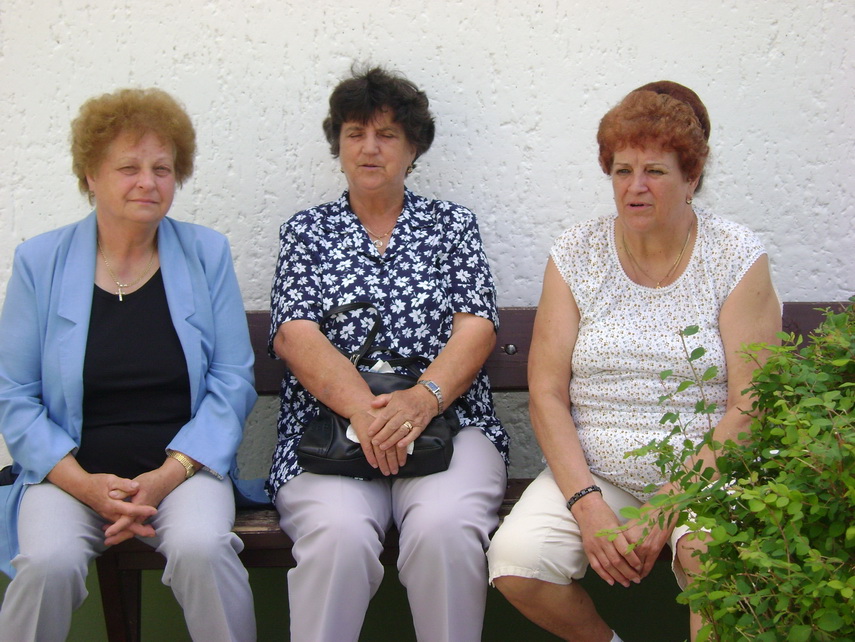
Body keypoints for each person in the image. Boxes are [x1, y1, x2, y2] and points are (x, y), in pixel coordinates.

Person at [487, 81, 781, 641]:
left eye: (655, 171)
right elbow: (546, 393)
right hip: (598, 472)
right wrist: (585, 503)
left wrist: (672, 502)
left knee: (709, 555)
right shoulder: (576, 253)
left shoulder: (735, 256)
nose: (635, 186)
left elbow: (749, 403)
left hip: (707, 475)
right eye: (622, 170)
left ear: (691, 177)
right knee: (517, 561)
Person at [0, 88, 257, 641]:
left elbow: (233, 380)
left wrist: (164, 478)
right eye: (129, 168)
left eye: (162, 169)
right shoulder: (39, 263)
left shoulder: (206, 254)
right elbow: (15, 396)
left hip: (183, 472)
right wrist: (86, 486)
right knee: (45, 564)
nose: (148, 182)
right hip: (69, 476)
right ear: (90, 176)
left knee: (202, 549)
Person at [268, 66, 509, 642]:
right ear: (339, 145)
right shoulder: (306, 232)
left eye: (387, 134)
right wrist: (366, 412)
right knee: (338, 536)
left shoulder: (452, 226)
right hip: (328, 431)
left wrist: (421, 401)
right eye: (355, 133)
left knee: (445, 528)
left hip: (448, 423)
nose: (369, 148)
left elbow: (476, 327)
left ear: (413, 147)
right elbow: (295, 335)